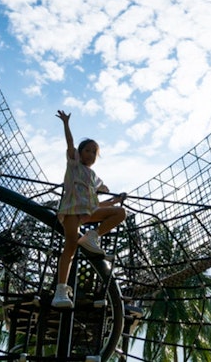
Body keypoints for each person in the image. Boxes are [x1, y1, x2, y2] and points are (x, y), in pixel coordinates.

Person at [52, 109, 127, 309]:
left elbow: (95, 203)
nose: (91, 154)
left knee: (120, 213)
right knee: (70, 247)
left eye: (95, 152)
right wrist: (66, 124)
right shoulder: (74, 164)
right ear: (80, 152)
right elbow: (69, 144)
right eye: (88, 150)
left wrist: (113, 201)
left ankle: (92, 235)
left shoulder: (93, 177)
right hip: (71, 211)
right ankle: (61, 290)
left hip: (87, 212)